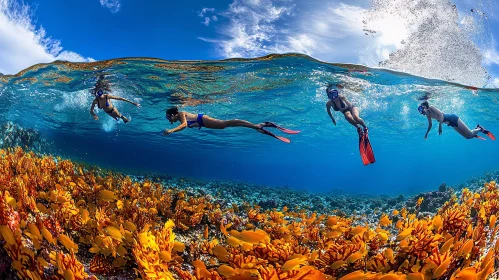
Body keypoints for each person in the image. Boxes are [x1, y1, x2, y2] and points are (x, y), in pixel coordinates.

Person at [163, 107, 299, 143]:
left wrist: (171, 131)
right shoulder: (179, 116)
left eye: (169, 117)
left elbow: (184, 125)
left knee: (226, 124)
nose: (170, 120)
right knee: (227, 125)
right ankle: (258, 126)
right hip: (203, 123)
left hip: (202, 120)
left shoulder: (181, 114)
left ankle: (260, 125)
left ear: (173, 114)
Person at [325, 84, 374, 165]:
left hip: (352, 107)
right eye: (331, 95)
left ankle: (365, 127)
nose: (334, 97)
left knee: (356, 118)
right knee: (347, 117)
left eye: (334, 93)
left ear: (336, 92)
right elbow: (328, 111)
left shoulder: (342, 97)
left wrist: (353, 115)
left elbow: (350, 105)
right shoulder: (329, 103)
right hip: (345, 111)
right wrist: (332, 119)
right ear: (328, 96)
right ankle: (358, 128)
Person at [418, 101, 495, 140]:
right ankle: (474, 132)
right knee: (467, 137)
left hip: (453, 118)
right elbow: (430, 125)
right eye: (419, 111)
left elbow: (441, 115)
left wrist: (440, 126)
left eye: (421, 109)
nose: (421, 112)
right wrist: (426, 133)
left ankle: (479, 129)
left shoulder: (431, 107)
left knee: (469, 134)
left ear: (424, 106)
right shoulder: (428, 114)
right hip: (450, 123)